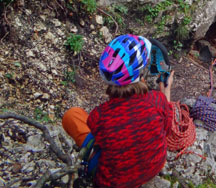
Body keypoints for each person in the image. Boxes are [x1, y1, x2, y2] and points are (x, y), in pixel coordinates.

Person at [62, 34, 174, 188]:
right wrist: (166, 91)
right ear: (140, 75)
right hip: (154, 167)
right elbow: (166, 129)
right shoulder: (157, 100)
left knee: (72, 115)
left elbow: (107, 135)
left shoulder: (99, 116)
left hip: (113, 183)